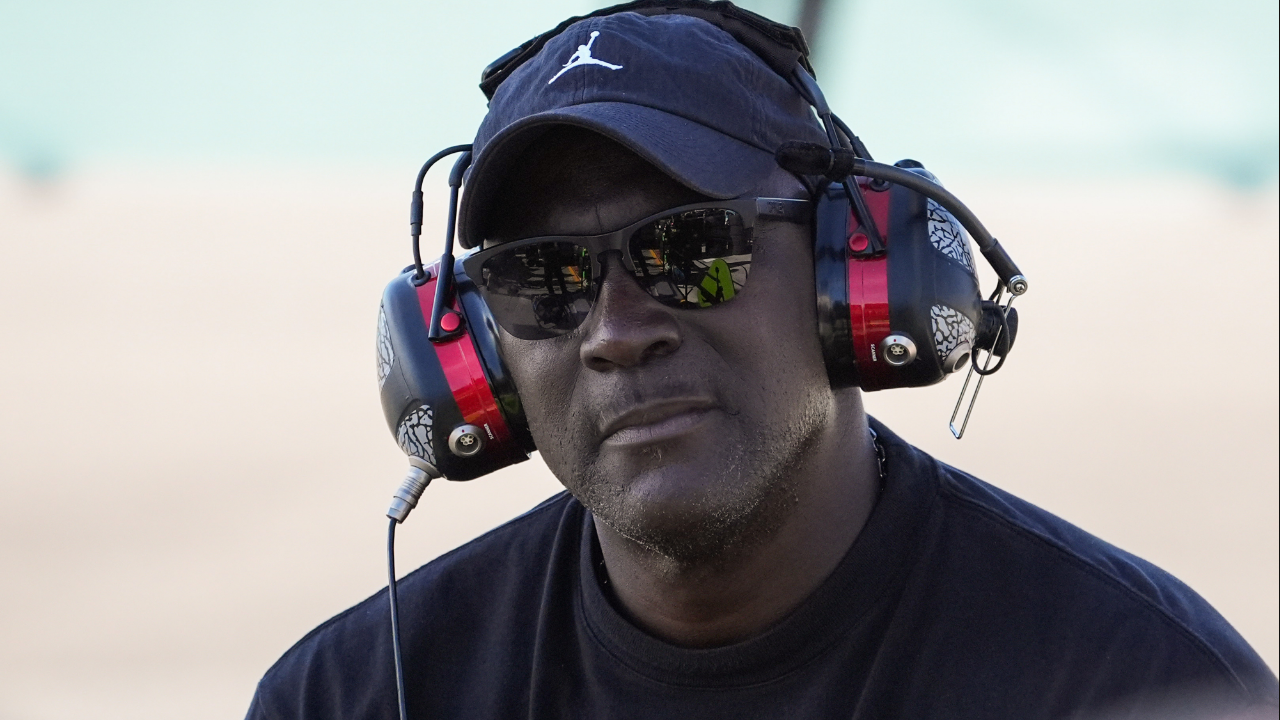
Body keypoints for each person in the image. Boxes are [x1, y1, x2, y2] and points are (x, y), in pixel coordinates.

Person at [246, 4, 1278, 718]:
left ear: (856, 277)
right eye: (544, 278)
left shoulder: (1132, 682)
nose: (613, 330)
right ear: (471, 350)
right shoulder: (353, 698)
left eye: (691, 250)